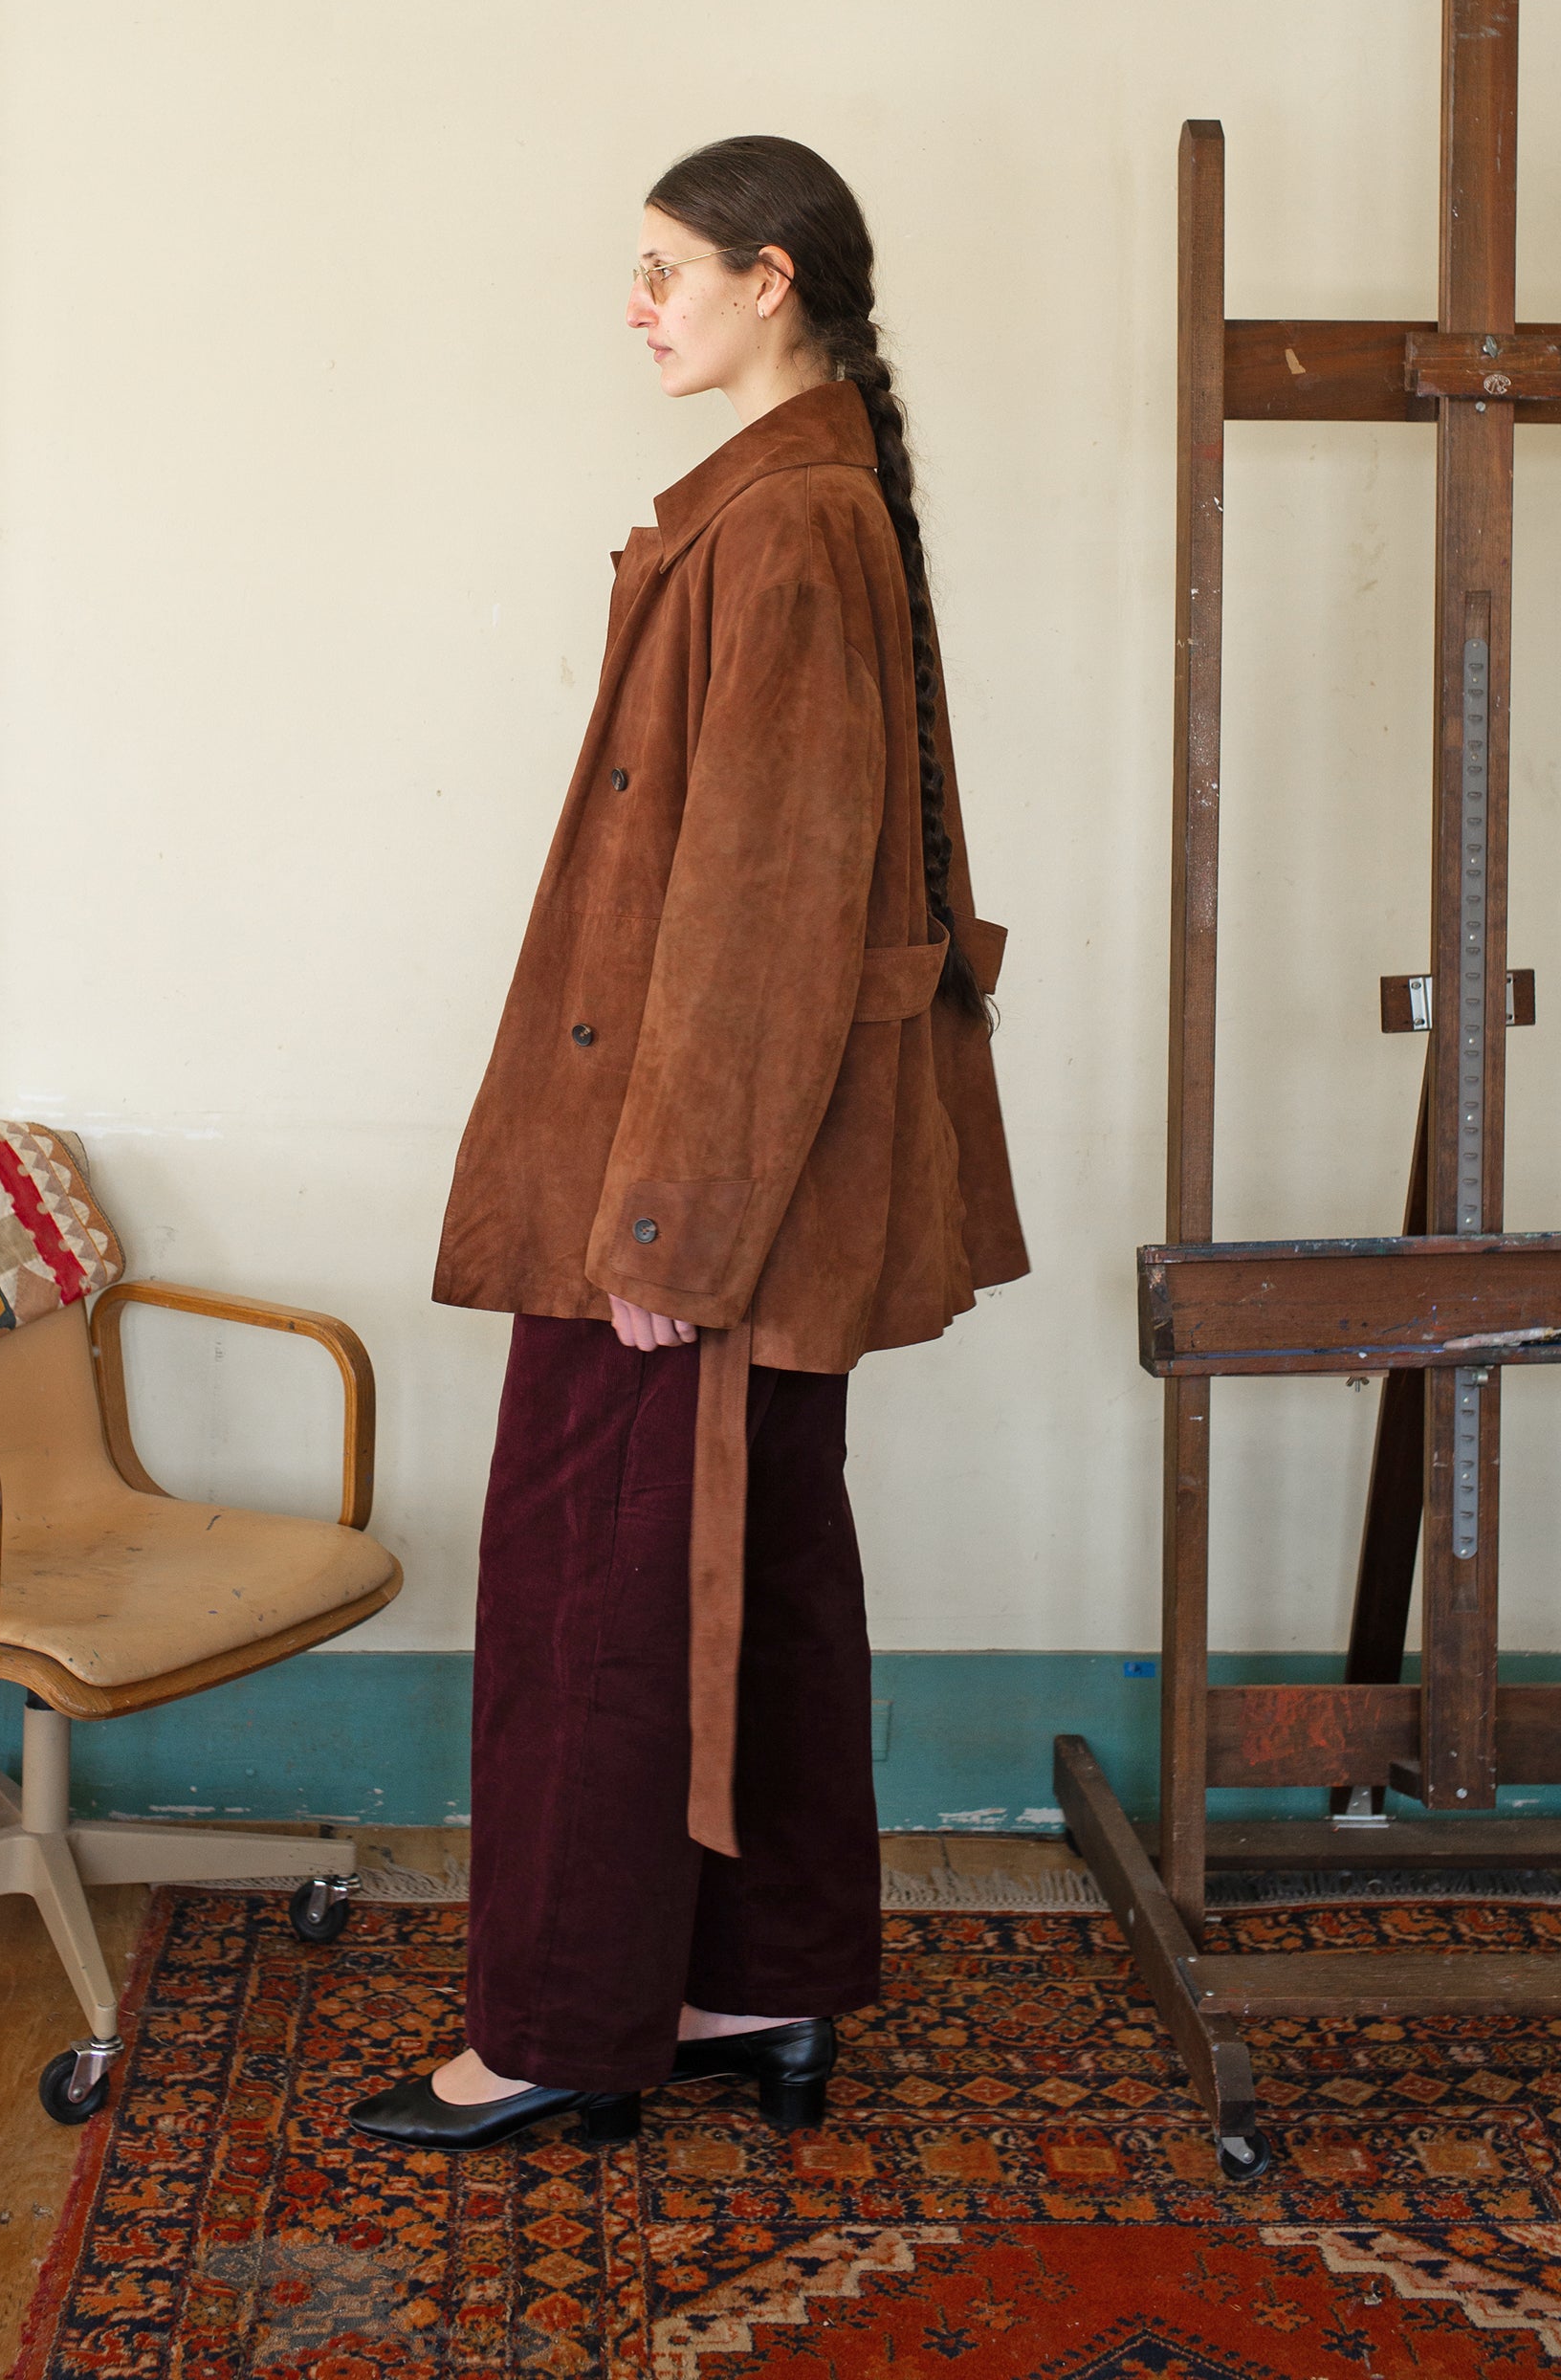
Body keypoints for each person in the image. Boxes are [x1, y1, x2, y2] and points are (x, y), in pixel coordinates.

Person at [350, 134, 1028, 2152]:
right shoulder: (793, 505)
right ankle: (762, 1980)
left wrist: (666, 1226)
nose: (636, 305)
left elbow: (764, 919)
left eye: (663, 269)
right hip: (735, 1181)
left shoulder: (792, 528)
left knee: (598, 1595)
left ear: (771, 278)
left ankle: (564, 2023)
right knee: (752, 1576)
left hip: (690, 1193)